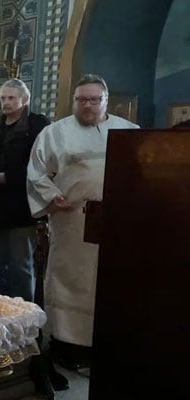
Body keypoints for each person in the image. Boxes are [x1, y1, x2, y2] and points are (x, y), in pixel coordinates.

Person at [27, 74, 139, 370]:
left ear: (106, 100)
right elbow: (36, 173)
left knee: (109, 281)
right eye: (81, 100)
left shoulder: (129, 131)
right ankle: (68, 345)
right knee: (71, 281)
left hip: (117, 225)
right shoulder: (55, 133)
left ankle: (109, 341)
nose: (87, 105)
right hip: (73, 221)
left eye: (94, 99)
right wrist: (52, 197)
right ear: (74, 101)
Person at [0, 79, 50, 302]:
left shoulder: (37, 125)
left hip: (23, 206)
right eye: (3, 98)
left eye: (11, 98)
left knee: (21, 264)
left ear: (24, 100)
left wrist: (8, 177)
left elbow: (42, 164)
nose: (6, 102)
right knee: (1, 262)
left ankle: (25, 315)